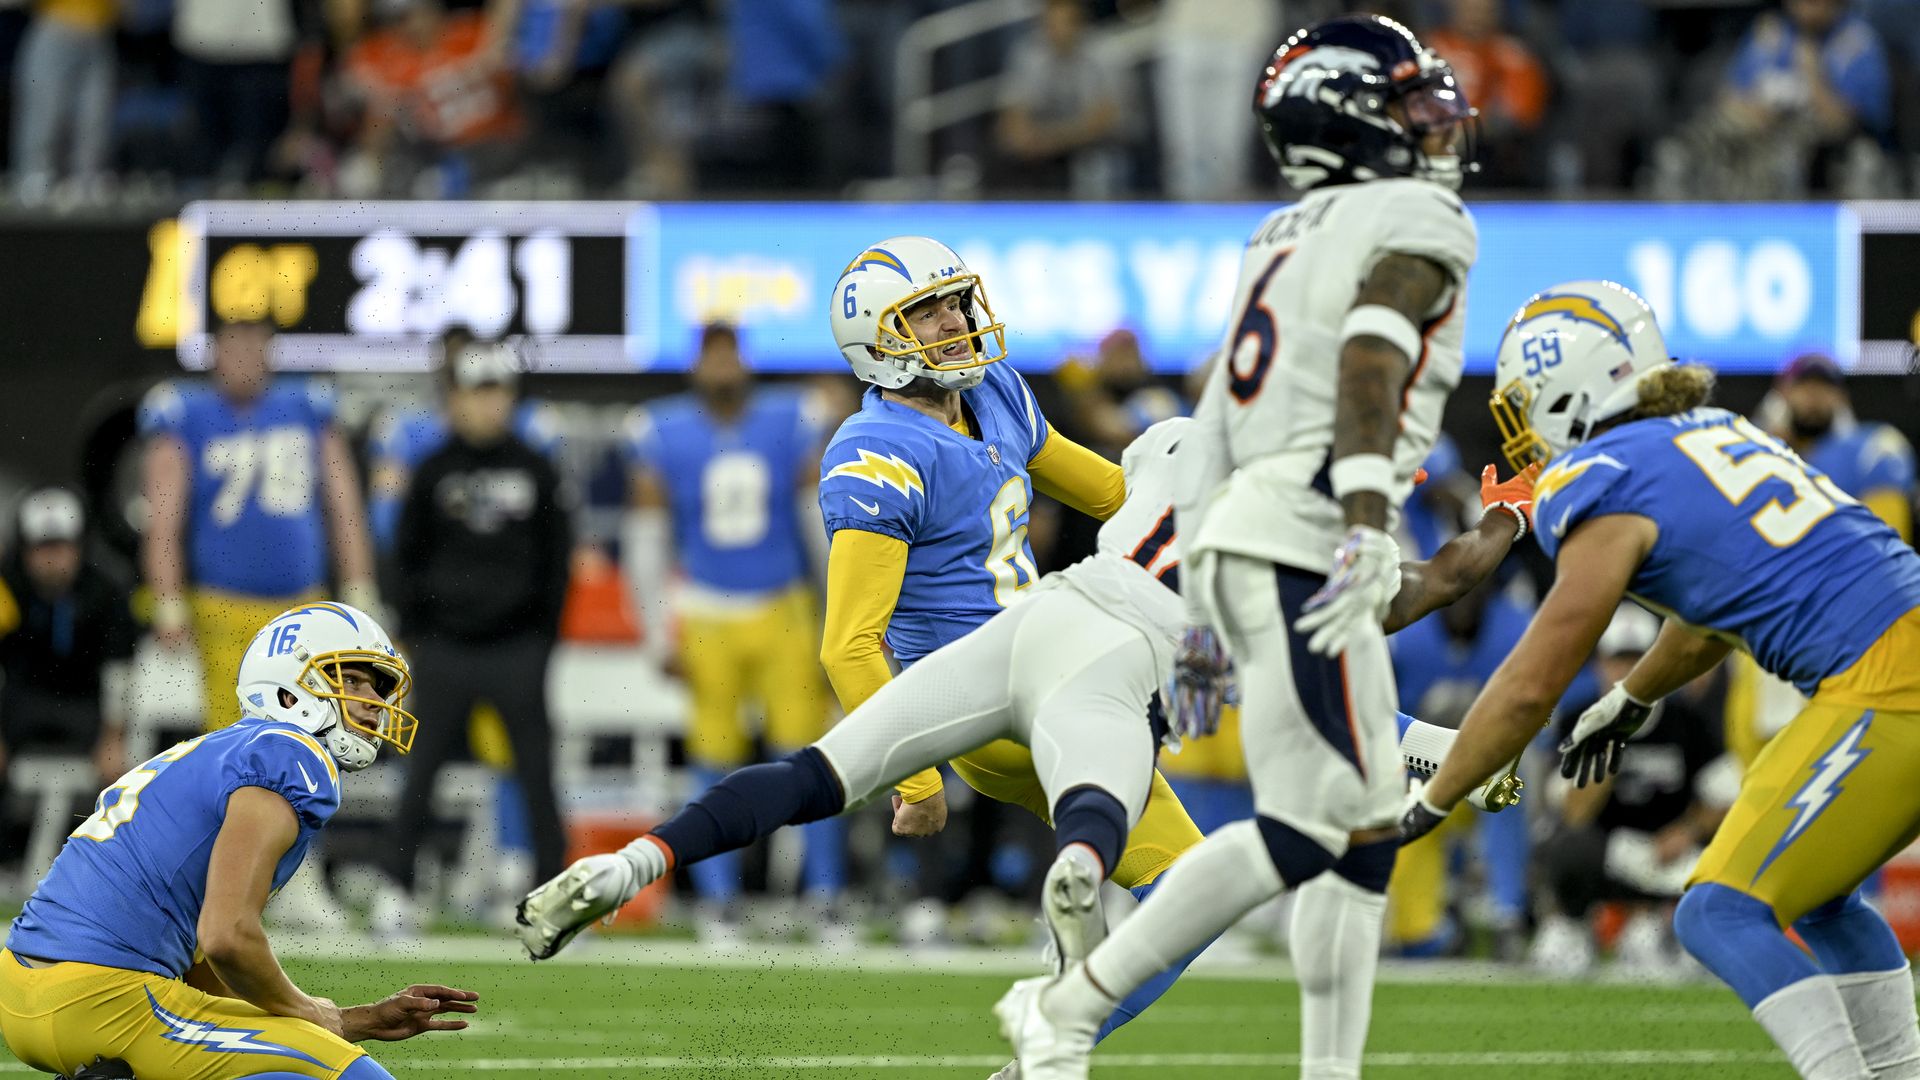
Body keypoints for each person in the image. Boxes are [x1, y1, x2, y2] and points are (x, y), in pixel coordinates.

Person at [515, 418, 1530, 979]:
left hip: (1044, 612)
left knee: (820, 771)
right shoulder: (1314, 548)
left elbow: (1121, 484)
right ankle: (1066, 932)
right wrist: (1510, 516)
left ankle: (630, 863)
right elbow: (1437, 585)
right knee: (1122, 831)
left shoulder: (1184, 442)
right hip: (1127, 656)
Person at [999, 16, 1480, 1080]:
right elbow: (1372, 355)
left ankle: (1324, 1070)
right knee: (1311, 826)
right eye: (1407, 102)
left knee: (1360, 824)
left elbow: (1215, 421)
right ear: (1348, 120)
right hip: (1304, 534)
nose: (1436, 120)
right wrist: (1366, 518)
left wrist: (1207, 610)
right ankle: (1073, 1004)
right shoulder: (1414, 216)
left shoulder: (1279, 233)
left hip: (1246, 537)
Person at [1405, 279, 1920, 1080]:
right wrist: (1633, 695)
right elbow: (1713, 609)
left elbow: (1533, 682)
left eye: (1527, 406)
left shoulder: (1601, 477)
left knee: (1719, 910)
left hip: (1887, 685)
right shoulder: (1713, 428)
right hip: (1893, 663)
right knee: (1819, 902)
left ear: (1567, 392)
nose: (1524, 430)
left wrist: (1434, 798)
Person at [0, 601, 479, 1079]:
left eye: (377, 686)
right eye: (350, 680)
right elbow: (227, 936)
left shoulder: (224, 749)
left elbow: (202, 969)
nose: (371, 700)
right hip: (102, 998)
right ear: (288, 693)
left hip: (26, 991)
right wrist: (313, 1016)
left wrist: (353, 1019)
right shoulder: (291, 755)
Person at [618, 322, 843, 933]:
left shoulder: (791, 418)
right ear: (696, 366)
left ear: (745, 361)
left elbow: (818, 523)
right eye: (711, 356)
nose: (721, 368)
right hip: (706, 609)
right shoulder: (661, 430)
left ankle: (823, 893)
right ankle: (718, 899)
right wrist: (655, 632)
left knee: (811, 757)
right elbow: (646, 539)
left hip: (784, 605)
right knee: (710, 762)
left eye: (729, 355)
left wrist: (837, 618)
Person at [380, 342, 574, 925]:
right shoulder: (433, 469)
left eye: (497, 393)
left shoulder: (536, 467)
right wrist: (417, 631)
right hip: (446, 647)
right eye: (477, 392)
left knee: (537, 774)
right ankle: (396, 892)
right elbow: (404, 553)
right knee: (421, 771)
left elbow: (557, 557)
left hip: (517, 647)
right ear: (456, 399)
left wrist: (541, 638)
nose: (488, 405)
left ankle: (556, 899)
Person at [140, 319, 380, 736]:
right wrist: (167, 598)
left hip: (303, 605)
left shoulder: (307, 405)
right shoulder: (186, 414)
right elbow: (163, 518)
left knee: (310, 730)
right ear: (215, 353)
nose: (244, 358)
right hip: (222, 606)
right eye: (234, 345)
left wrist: (360, 583)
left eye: (254, 345)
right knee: (232, 734)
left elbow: (344, 505)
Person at [1531, 604, 1735, 978]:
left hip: (1669, 852)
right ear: (1600, 664)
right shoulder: (1577, 721)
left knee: (1729, 845)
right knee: (1566, 844)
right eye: (1617, 660)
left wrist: (1687, 830)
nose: (1625, 671)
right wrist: (1608, 741)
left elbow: (1727, 794)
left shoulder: (1687, 721)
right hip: (1609, 852)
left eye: (1636, 660)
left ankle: (1665, 929)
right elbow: (1573, 813)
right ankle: (1572, 926)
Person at [0, 488, 135, 789]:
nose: (52, 559)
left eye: (61, 546)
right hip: (21, 702)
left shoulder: (106, 590)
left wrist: (114, 738)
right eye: (41, 547)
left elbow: (119, 670)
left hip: (85, 705)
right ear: (24, 550)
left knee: (117, 772)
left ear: (80, 547)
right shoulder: (6, 586)